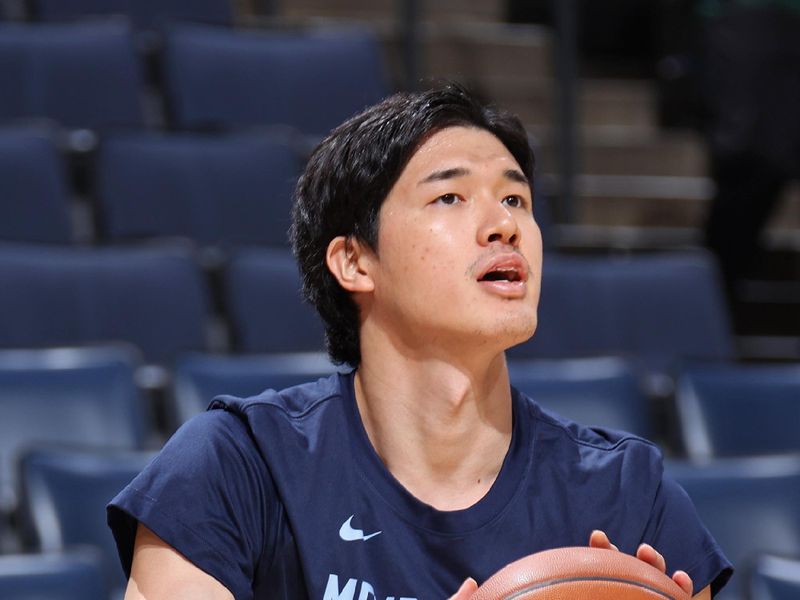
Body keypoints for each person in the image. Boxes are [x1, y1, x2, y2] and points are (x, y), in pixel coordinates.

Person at [107, 84, 732, 600]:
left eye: (515, 197)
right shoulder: (235, 465)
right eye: (450, 196)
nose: (504, 225)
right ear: (354, 262)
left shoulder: (627, 491)